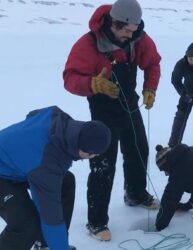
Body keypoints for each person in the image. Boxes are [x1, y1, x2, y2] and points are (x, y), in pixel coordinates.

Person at [63, 0, 161, 241]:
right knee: (104, 164)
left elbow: (153, 63)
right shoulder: (88, 44)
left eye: (135, 29)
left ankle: (135, 194)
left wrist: (150, 88)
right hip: (103, 112)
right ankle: (96, 223)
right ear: (114, 24)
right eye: (127, 30)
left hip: (130, 105)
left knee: (139, 148)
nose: (131, 35)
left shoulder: (137, 38)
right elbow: (69, 78)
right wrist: (92, 84)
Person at [0, 106, 111, 250]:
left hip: (17, 167)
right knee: (27, 224)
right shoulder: (47, 166)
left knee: (66, 181)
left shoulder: (58, 117)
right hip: (6, 175)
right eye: (93, 155)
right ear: (84, 151)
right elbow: (51, 217)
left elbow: (33, 115)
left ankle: (44, 245)